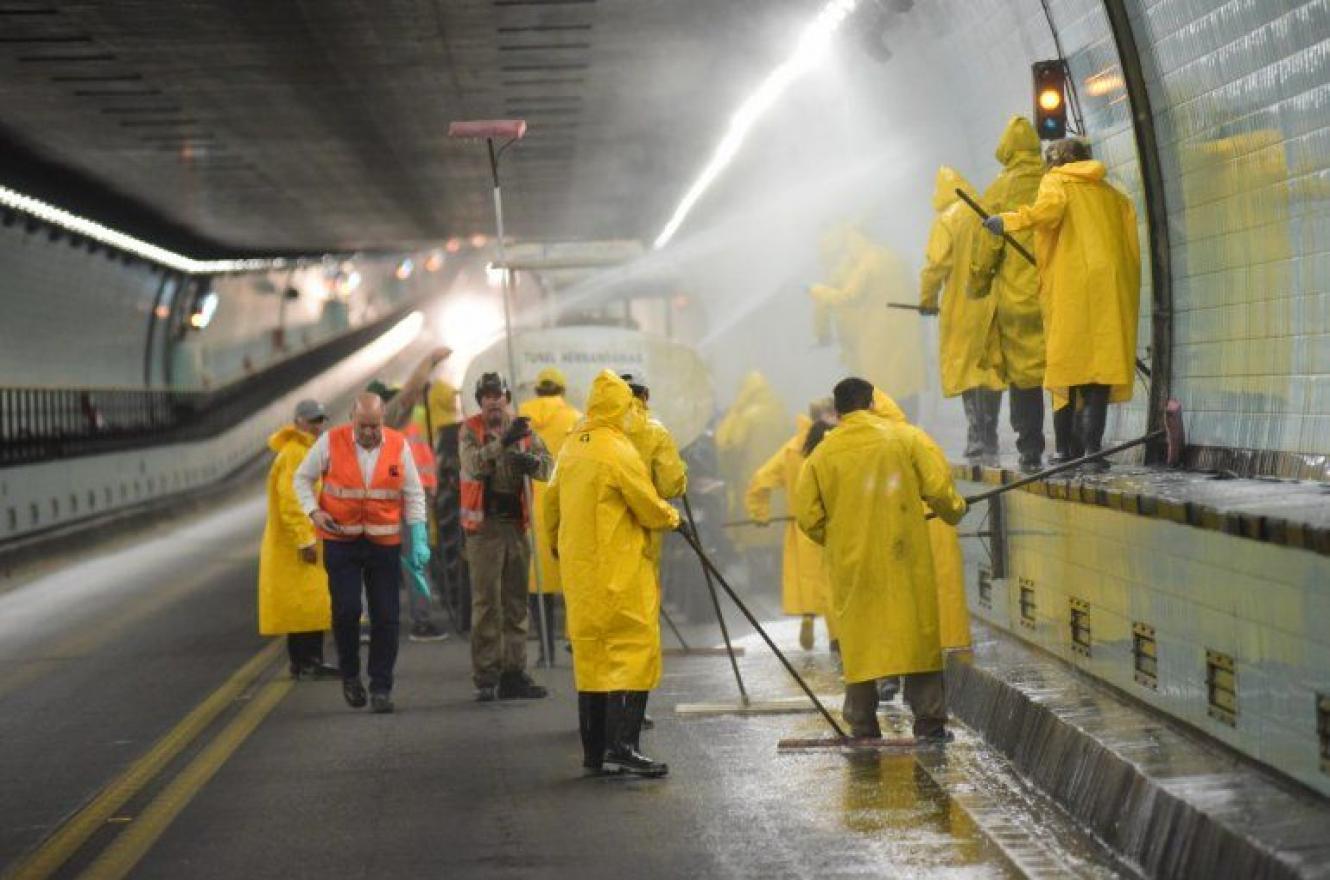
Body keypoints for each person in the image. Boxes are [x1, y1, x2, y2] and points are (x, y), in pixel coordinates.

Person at [794, 377, 967, 741]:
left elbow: (808, 518)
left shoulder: (822, 454)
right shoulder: (905, 438)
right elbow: (939, 489)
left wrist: (840, 538)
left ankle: (862, 723)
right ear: (872, 403)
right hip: (906, 560)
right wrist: (955, 510)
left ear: (838, 412)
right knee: (916, 636)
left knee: (861, 642)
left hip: (853, 566)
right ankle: (930, 723)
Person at [542, 371, 683, 777]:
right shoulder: (618, 450)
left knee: (591, 655)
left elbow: (550, 505)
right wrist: (673, 519)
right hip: (620, 571)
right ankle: (625, 745)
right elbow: (647, 503)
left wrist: (557, 544)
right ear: (621, 407)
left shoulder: (571, 447)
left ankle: (594, 752)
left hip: (581, 574)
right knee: (636, 651)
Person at [983, 137, 1141, 470]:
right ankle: (1092, 452)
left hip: (1071, 286)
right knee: (1099, 370)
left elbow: (1047, 212)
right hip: (1109, 289)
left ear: (1057, 163)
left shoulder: (1057, 182)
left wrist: (1007, 221)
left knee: (1066, 364)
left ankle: (1065, 450)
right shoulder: (1113, 196)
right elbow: (1130, 249)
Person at [294, 393, 429, 714]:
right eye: (363, 426)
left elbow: (413, 492)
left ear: (383, 419)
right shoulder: (330, 442)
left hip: (383, 544)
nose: (369, 432)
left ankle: (381, 686)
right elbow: (301, 478)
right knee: (346, 611)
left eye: (375, 425)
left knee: (387, 617)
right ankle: (351, 675)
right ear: (352, 419)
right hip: (342, 541)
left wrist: (420, 535)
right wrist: (313, 512)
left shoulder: (398, 445)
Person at [459, 372, 553, 702]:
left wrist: (532, 462)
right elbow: (473, 465)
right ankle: (486, 676)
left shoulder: (524, 429)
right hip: (484, 531)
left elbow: (549, 467)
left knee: (516, 604)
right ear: (480, 401)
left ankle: (515, 672)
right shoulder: (470, 430)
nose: (493, 400)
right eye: (486, 396)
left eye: (497, 394)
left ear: (506, 398)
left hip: (515, 526)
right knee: (487, 604)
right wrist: (503, 443)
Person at [971, 116, 1050, 473]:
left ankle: (1030, 448)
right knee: (1065, 370)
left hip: (1017, 298)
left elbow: (988, 245)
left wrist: (979, 282)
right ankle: (1074, 444)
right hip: (1057, 292)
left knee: (1024, 377)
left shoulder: (999, 190)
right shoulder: (1054, 181)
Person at [919, 166, 1006, 463]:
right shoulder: (986, 211)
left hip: (962, 306)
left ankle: (977, 438)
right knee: (992, 370)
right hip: (994, 303)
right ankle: (991, 434)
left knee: (969, 371)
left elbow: (935, 267)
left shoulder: (947, 221)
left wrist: (927, 300)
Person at [744, 400, 836, 651]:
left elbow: (760, 480)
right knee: (835, 582)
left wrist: (759, 513)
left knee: (810, 578)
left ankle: (808, 615)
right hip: (837, 523)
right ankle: (837, 638)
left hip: (802, 526)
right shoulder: (839, 443)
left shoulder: (792, 449)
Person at [258, 399, 339, 680]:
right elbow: (292, 501)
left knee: (303, 604)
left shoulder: (303, 451)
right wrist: (305, 540)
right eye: (312, 420)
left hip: (299, 541)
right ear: (298, 422)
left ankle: (302, 662)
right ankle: (309, 661)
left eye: (320, 420)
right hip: (297, 544)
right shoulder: (295, 454)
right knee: (309, 603)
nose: (318, 426)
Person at [811, 224, 926, 416]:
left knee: (874, 397)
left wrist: (823, 334)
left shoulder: (855, 266)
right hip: (905, 338)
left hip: (869, 342)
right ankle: (909, 434)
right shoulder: (895, 259)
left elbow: (838, 300)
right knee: (905, 390)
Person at [518, 367, 582, 663]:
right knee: (572, 576)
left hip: (531, 506)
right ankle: (574, 639)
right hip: (566, 505)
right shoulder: (575, 418)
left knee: (538, 581)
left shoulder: (521, 419)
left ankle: (546, 651)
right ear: (562, 391)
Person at [715, 371, 788, 582]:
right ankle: (778, 578)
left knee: (754, 529)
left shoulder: (746, 417)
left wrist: (728, 472)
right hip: (779, 481)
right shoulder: (780, 411)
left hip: (751, 480)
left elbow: (730, 446)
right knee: (777, 525)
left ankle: (758, 578)